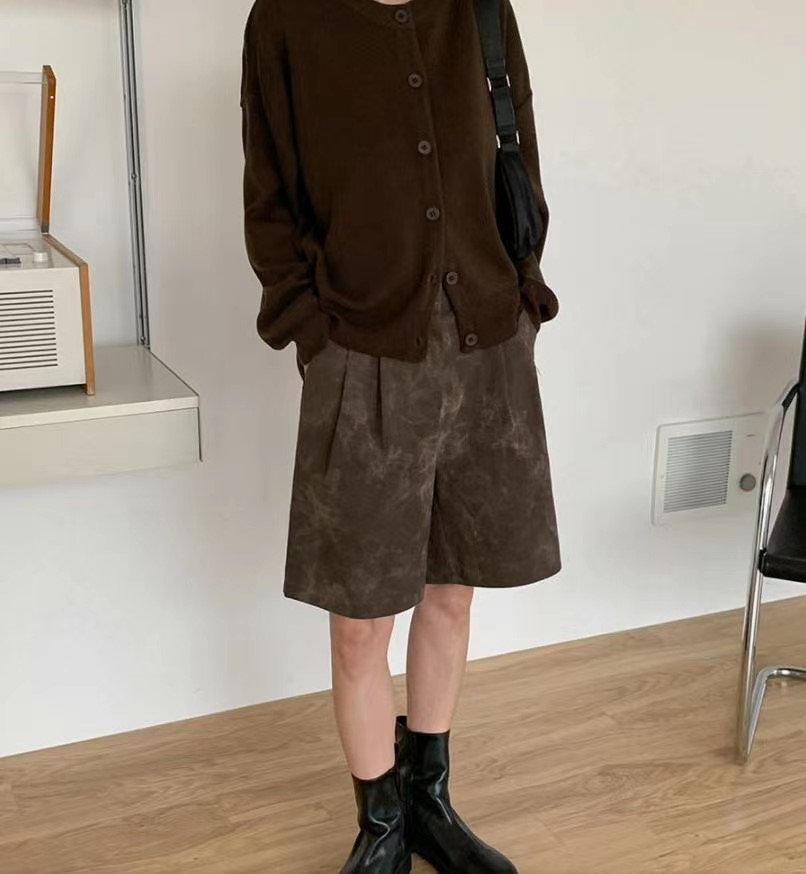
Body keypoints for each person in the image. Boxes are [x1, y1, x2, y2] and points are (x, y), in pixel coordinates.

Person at [240, 0, 561, 870]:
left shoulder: (481, 9)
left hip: (487, 345)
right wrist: (312, 334)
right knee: (360, 620)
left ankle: (430, 802)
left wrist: (525, 294)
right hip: (361, 348)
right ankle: (380, 827)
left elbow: (520, 149)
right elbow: (270, 200)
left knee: (453, 592)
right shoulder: (286, 21)